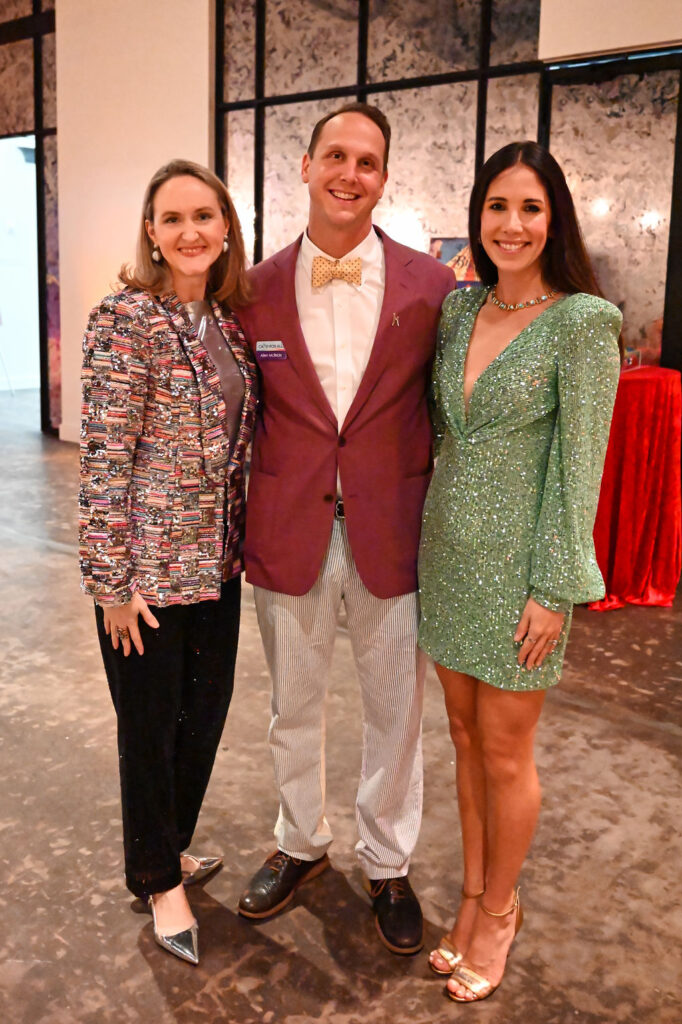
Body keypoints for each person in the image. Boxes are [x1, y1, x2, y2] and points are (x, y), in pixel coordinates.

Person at [235, 102, 454, 954]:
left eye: (367, 161)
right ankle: (299, 843)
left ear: (384, 177)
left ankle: (388, 862)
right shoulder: (250, 289)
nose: (349, 174)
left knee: (395, 713)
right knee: (293, 706)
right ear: (305, 165)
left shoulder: (432, 290)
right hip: (288, 530)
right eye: (335, 155)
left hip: (391, 532)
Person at [418, 140, 622, 1001]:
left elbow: (584, 468)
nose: (512, 224)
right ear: (478, 216)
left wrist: (555, 589)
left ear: (556, 219)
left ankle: (501, 911)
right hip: (448, 557)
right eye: (498, 207)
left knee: (507, 754)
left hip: (521, 573)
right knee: (462, 741)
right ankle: (470, 897)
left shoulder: (583, 322)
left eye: (531, 208)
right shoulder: (458, 313)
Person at [79, 159, 258, 965]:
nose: (191, 232)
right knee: (148, 731)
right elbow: (105, 461)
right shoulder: (124, 319)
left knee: (204, 718)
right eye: (173, 218)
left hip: (217, 568)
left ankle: (168, 844)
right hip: (145, 578)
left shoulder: (227, 324)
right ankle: (158, 878)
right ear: (152, 232)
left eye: (205, 217)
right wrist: (111, 586)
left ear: (226, 231)